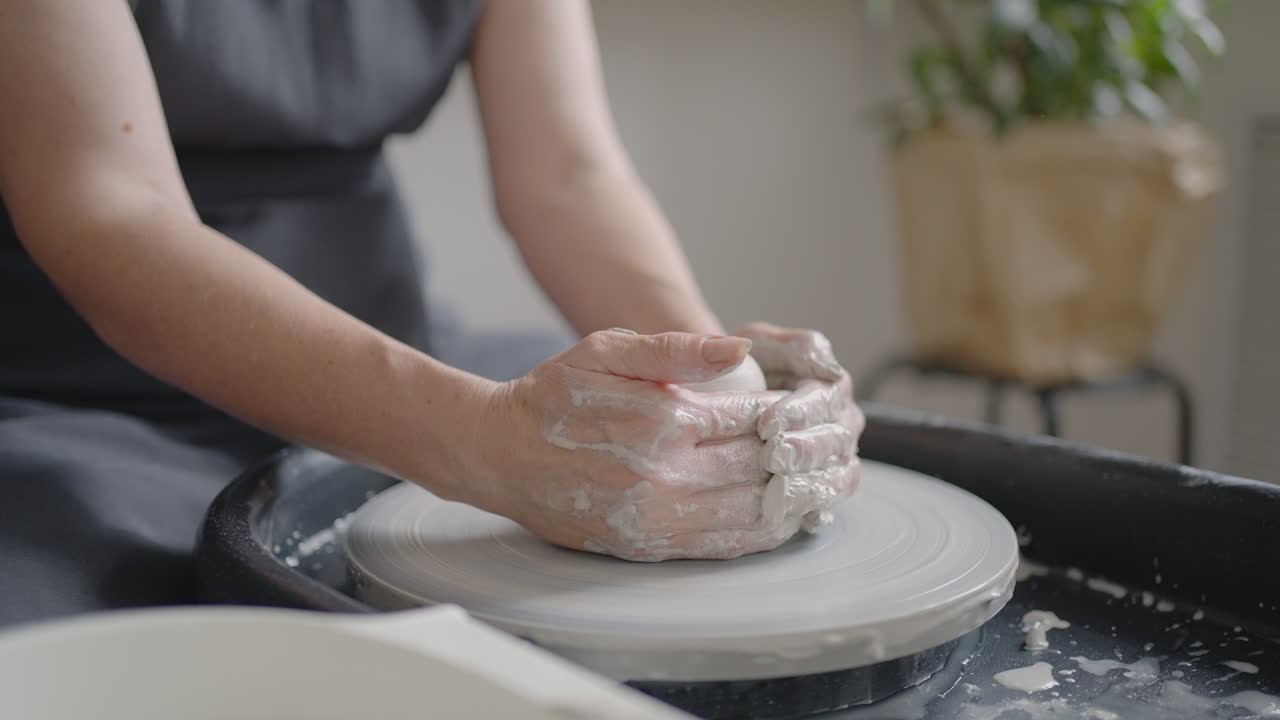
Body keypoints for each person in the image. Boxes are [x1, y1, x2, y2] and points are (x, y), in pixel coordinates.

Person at [0, 0, 863, 628]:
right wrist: (481, 440)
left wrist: (710, 378)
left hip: (389, 337)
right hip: (85, 394)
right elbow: (110, 211)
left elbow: (568, 177)